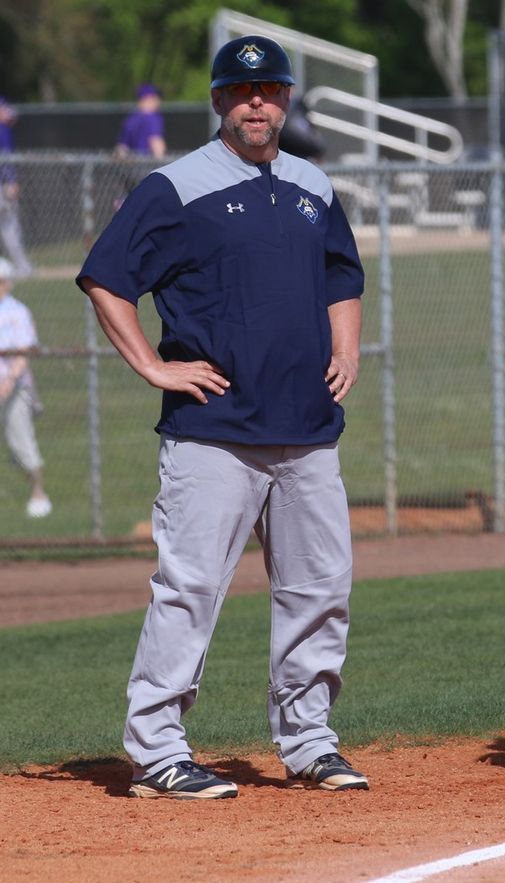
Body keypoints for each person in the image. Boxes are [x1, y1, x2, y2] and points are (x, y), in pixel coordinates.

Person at [77, 35, 368, 800]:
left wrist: (348, 344)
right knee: (189, 589)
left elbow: (343, 271)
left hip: (307, 428)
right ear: (216, 101)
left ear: (287, 98)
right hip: (212, 430)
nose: (256, 103)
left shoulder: (312, 184)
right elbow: (107, 278)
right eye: (240, 92)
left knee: (320, 588)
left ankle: (308, 741)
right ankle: (157, 747)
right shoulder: (175, 186)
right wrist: (151, 364)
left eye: (269, 89)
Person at [0, 257, 51, 517]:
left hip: (13, 389)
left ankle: (39, 493)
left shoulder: (17, 312)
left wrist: (8, 380)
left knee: (21, 443)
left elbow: (23, 351)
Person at [0, 98, 33, 279]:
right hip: (3, 185)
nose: (8, 116)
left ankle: (22, 266)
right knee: (10, 226)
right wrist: (10, 181)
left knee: (9, 227)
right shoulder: (2, 130)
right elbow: (5, 159)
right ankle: (22, 266)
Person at [116, 83, 167, 159]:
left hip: (133, 166)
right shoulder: (152, 118)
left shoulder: (130, 119)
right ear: (149, 99)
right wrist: (161, 163)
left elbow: (122, 148)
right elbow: (156, 142)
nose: (159, 101)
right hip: (148, 164)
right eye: (156, 97)